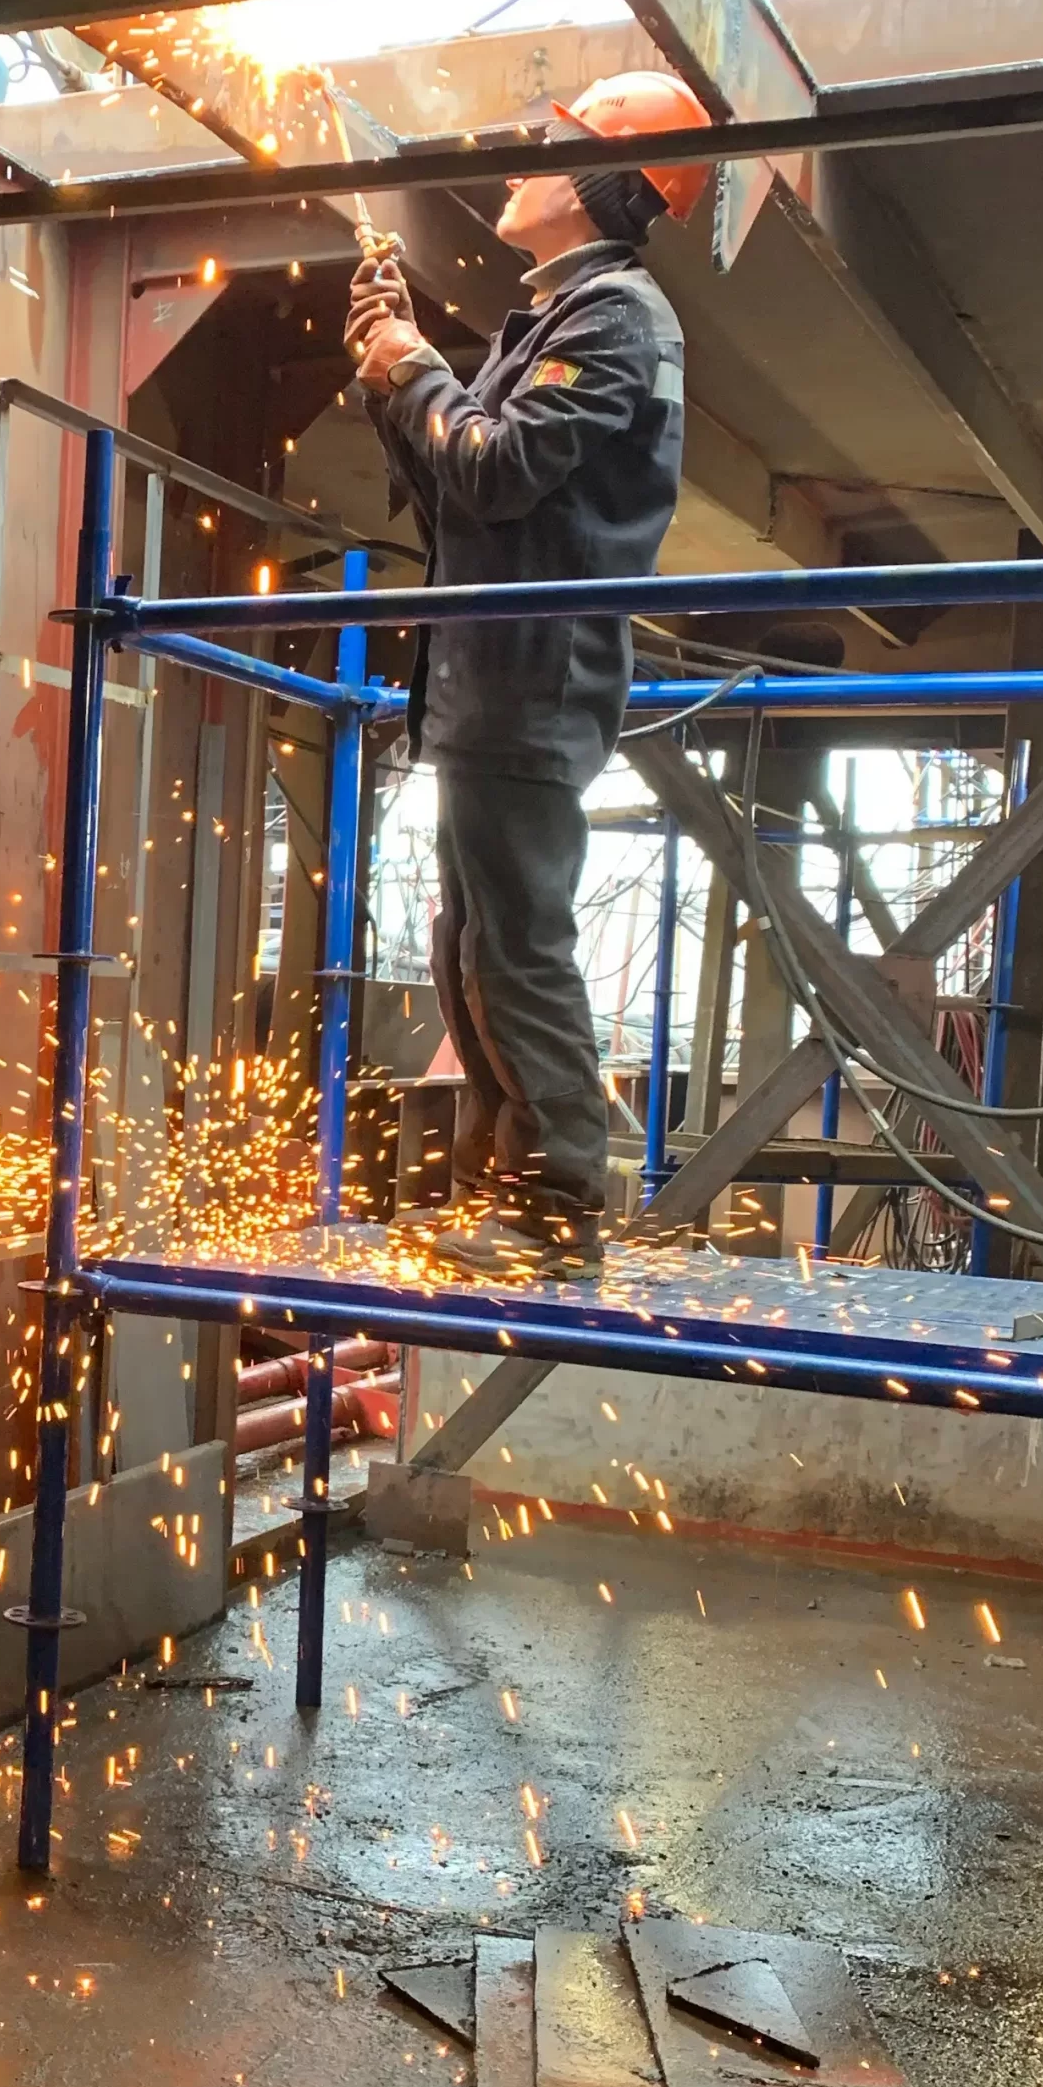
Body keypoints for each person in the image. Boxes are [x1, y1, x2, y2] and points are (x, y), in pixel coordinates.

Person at [345, 71, 712, 1278]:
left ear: (598, 188)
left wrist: (416, 374)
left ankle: (558, 1206)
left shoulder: (618, 318)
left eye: (545, 154)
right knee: (472, 944)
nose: (517, 170)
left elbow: (498, 473)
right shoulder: (547, 323)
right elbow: (455, 480)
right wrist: (389, 373)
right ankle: (514, 1191)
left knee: (518, 943)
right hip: (480, 677)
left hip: (530, 678)